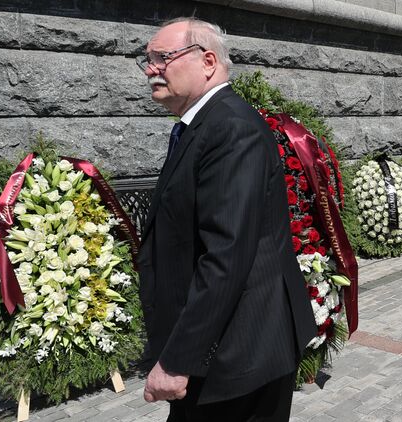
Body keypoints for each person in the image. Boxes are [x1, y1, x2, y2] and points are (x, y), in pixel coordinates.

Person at [136, 17, 316, 422]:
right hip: (222, 352)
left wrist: (177, 360)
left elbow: (226, 255)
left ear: (208, 61)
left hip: (239, 357)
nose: (150, 69)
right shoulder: (201, 124)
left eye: (162, 58)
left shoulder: (231, 128)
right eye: (146, 60)